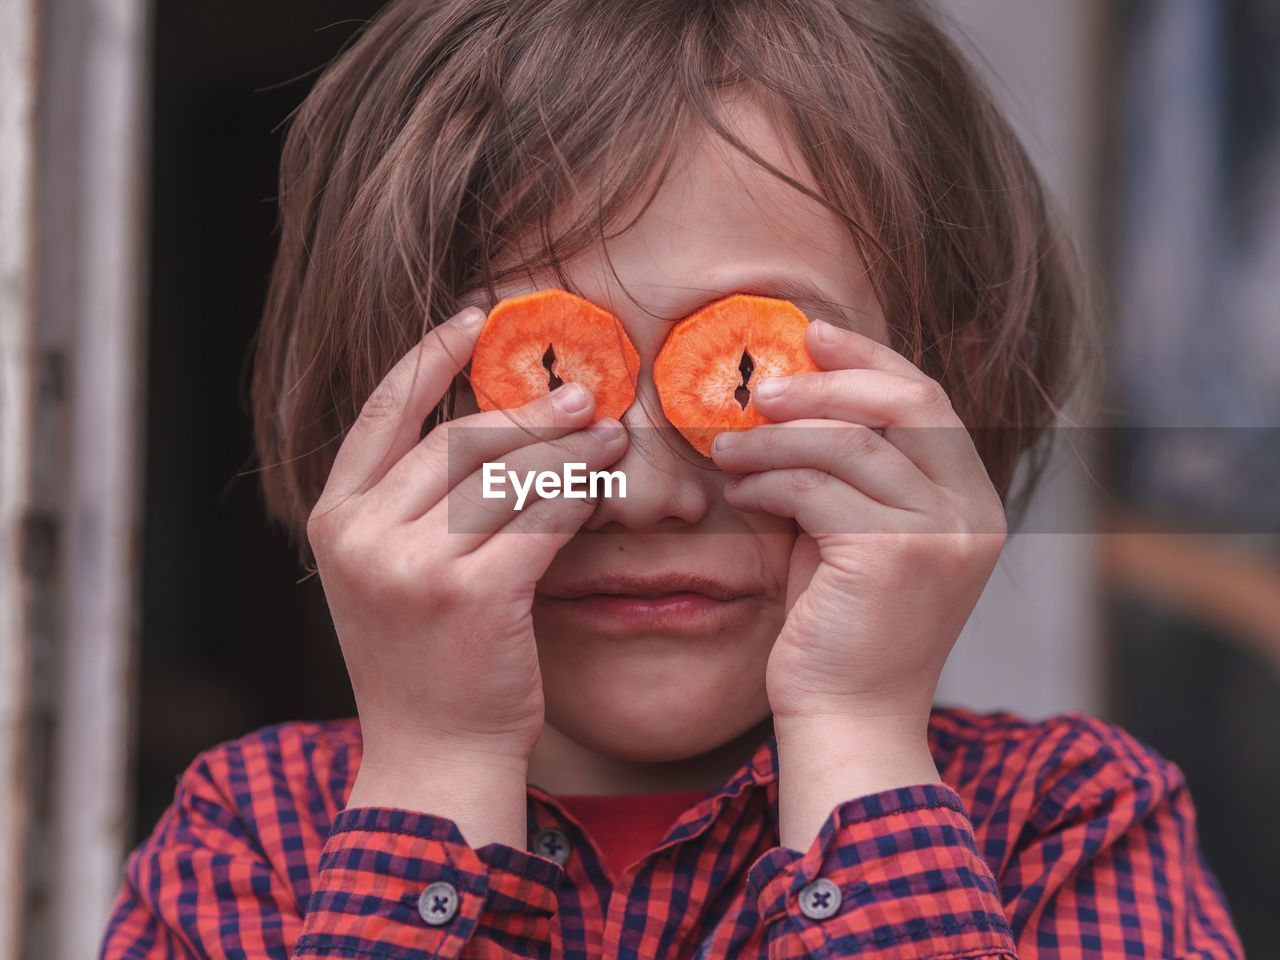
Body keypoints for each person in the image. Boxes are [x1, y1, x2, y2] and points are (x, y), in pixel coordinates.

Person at [99, 0, 1246, 957]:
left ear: (950, 387)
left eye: (752, 370)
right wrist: (438, 772)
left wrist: (856, 741)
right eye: (543, 379)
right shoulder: (245, 843)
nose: (646, 494)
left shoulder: (1073, 824)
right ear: (372, 417)